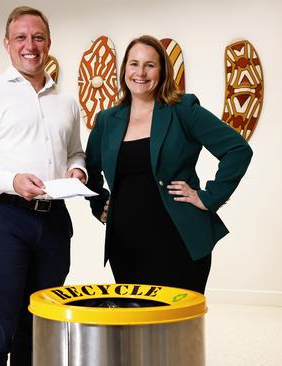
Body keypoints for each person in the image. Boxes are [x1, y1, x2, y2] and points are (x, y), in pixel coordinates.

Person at [0, 6, 86, 366]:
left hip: (54, 222)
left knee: (40, 328)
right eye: (22, 37)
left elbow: (76, 152)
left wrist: (78, 171)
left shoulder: (66, 102)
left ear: (49, 43)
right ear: (7, 44)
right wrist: (11, 180)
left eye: (38, 37)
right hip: (3, 219)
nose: (31, 45)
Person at [85, 35, 252, 294]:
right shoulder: (107, 119)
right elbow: (90, 169)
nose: (140, 72)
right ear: (124, 69)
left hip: (178, 240)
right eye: (133, 64)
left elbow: (237, 149)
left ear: (162, 71)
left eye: (150, 65)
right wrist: (99, 204)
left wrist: (208, 197)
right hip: (126, 242)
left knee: (178, 327)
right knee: (135, 325)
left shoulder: (183, 109)